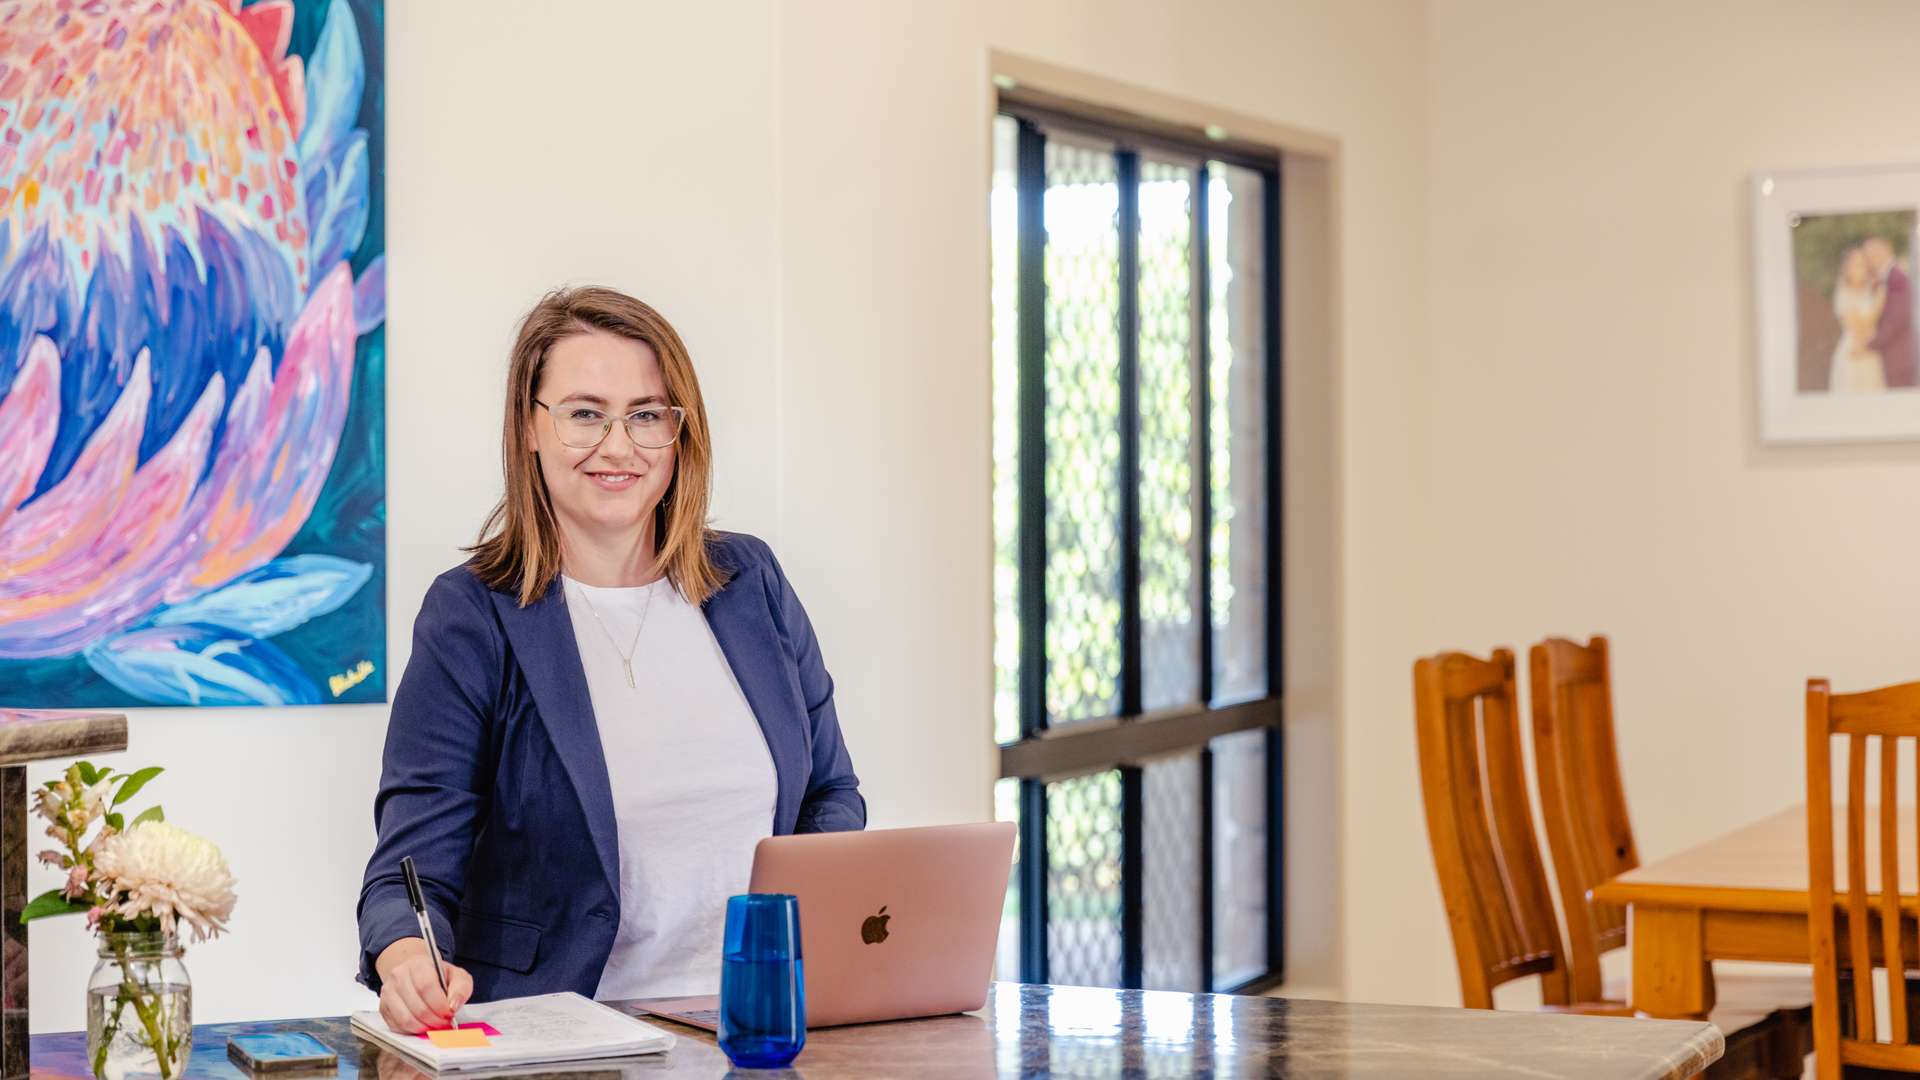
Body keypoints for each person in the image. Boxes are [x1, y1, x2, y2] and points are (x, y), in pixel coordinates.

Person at [356, 287, 864, 1034]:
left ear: (680, 432)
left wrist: (808, 930)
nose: (619, 446)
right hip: (567, 1039)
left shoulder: (750, 582)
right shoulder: (472, 615)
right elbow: (411, 868)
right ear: (529, 427)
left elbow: (831, 794)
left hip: (765, 1026)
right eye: (585, 414)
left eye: (647, 415)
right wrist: (406, 957)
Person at [1829, 245, 1886, 393]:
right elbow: (1859, 326)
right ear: (1847, 268)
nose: (1861, 269)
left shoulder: (1870, 290)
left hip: (1870, 350)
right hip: (1853, 349)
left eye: (1863, 264)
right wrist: (1878, 303)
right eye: (1856, 264)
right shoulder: (1844, 293)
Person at [1863, 235, 1919, 388]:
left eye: (1875, 252)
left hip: (1898, 357)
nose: (1871, 258)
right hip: (1884, 357)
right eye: (1868, 255)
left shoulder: (1898, 277)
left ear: (1887, 248)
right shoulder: (1877, 279)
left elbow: (1898, 319)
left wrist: (1870, 344)